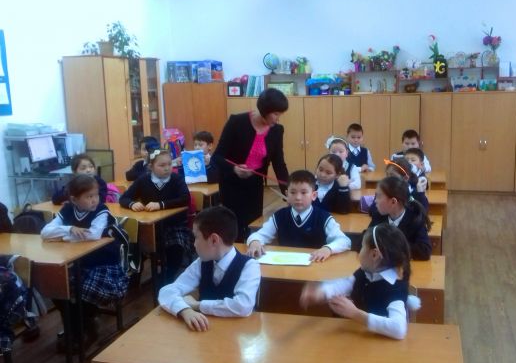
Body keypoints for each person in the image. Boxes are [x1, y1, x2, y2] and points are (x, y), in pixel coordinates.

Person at [41, 174, 129, 351]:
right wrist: (70, 229)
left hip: (105, 265)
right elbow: (45, 232)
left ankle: (83, 328)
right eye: (88, 197)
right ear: (74, 199)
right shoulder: (68, 209)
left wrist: (62, 236)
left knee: (84, 292)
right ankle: (78, 328)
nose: (94, 200)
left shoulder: (101, 211)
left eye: (95, 195)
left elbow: (92, 235)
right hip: (80, 264)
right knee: (56, 288)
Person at [299, 223, 419, 340]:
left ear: (374, 254)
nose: (358, 252)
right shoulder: (366, 271)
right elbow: (347, 283)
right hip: (362, 335)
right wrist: (321, 292)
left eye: (362, 247)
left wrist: (355, 313)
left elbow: (399, 329)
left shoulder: (394, 288)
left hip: (381, 345)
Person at [158, 206, 260, 331]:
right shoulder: (202, 263)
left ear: (214, 240)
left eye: (196, 237)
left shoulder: (250, 266)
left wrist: (197, 305)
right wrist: (185, 310)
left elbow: (243, 306)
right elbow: (166, 291)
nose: (194, 244)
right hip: (205, 332)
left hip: (237, 334)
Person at [212, 88, 289, 240]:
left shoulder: (277, 130)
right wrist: (235, 169)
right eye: (275, 114)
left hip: (255, 184)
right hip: (231, 184)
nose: (277, 119)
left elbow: (279, 163)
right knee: (233, 228)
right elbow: (217, 157)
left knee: (253, 227)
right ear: (265, 110)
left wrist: (289, 192)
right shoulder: (236, 122)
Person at [119, 149, 193, 284]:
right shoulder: (143, 180)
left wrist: (161, 204)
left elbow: (185, 198)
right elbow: (124, 198)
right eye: (162, 165)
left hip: (174, 225)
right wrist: (132, 204)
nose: (167, 168)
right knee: (135, 246)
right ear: (150, 167)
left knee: (176, 248)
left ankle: (168, 277)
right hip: (150, 226)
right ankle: (134, 280)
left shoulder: (176, 179)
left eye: (169, 164)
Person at [246, 170, 351, 262]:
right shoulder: (279, 216)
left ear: (314, 195)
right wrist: (255, 242)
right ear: (287, 194)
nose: (298, 197)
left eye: (304, 193)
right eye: (293, 192)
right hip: (286, 267)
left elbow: (345, 241)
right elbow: (259, 235)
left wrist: (328, 249)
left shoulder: (323, 217)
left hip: (315, 265)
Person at [369, 176, 431, 260]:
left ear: (393, 201)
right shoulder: (379, 216)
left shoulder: (415, 218)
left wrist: (390, 247)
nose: (375, 200)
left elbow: (425, 250)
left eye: (379, 197)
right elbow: (363, 241)